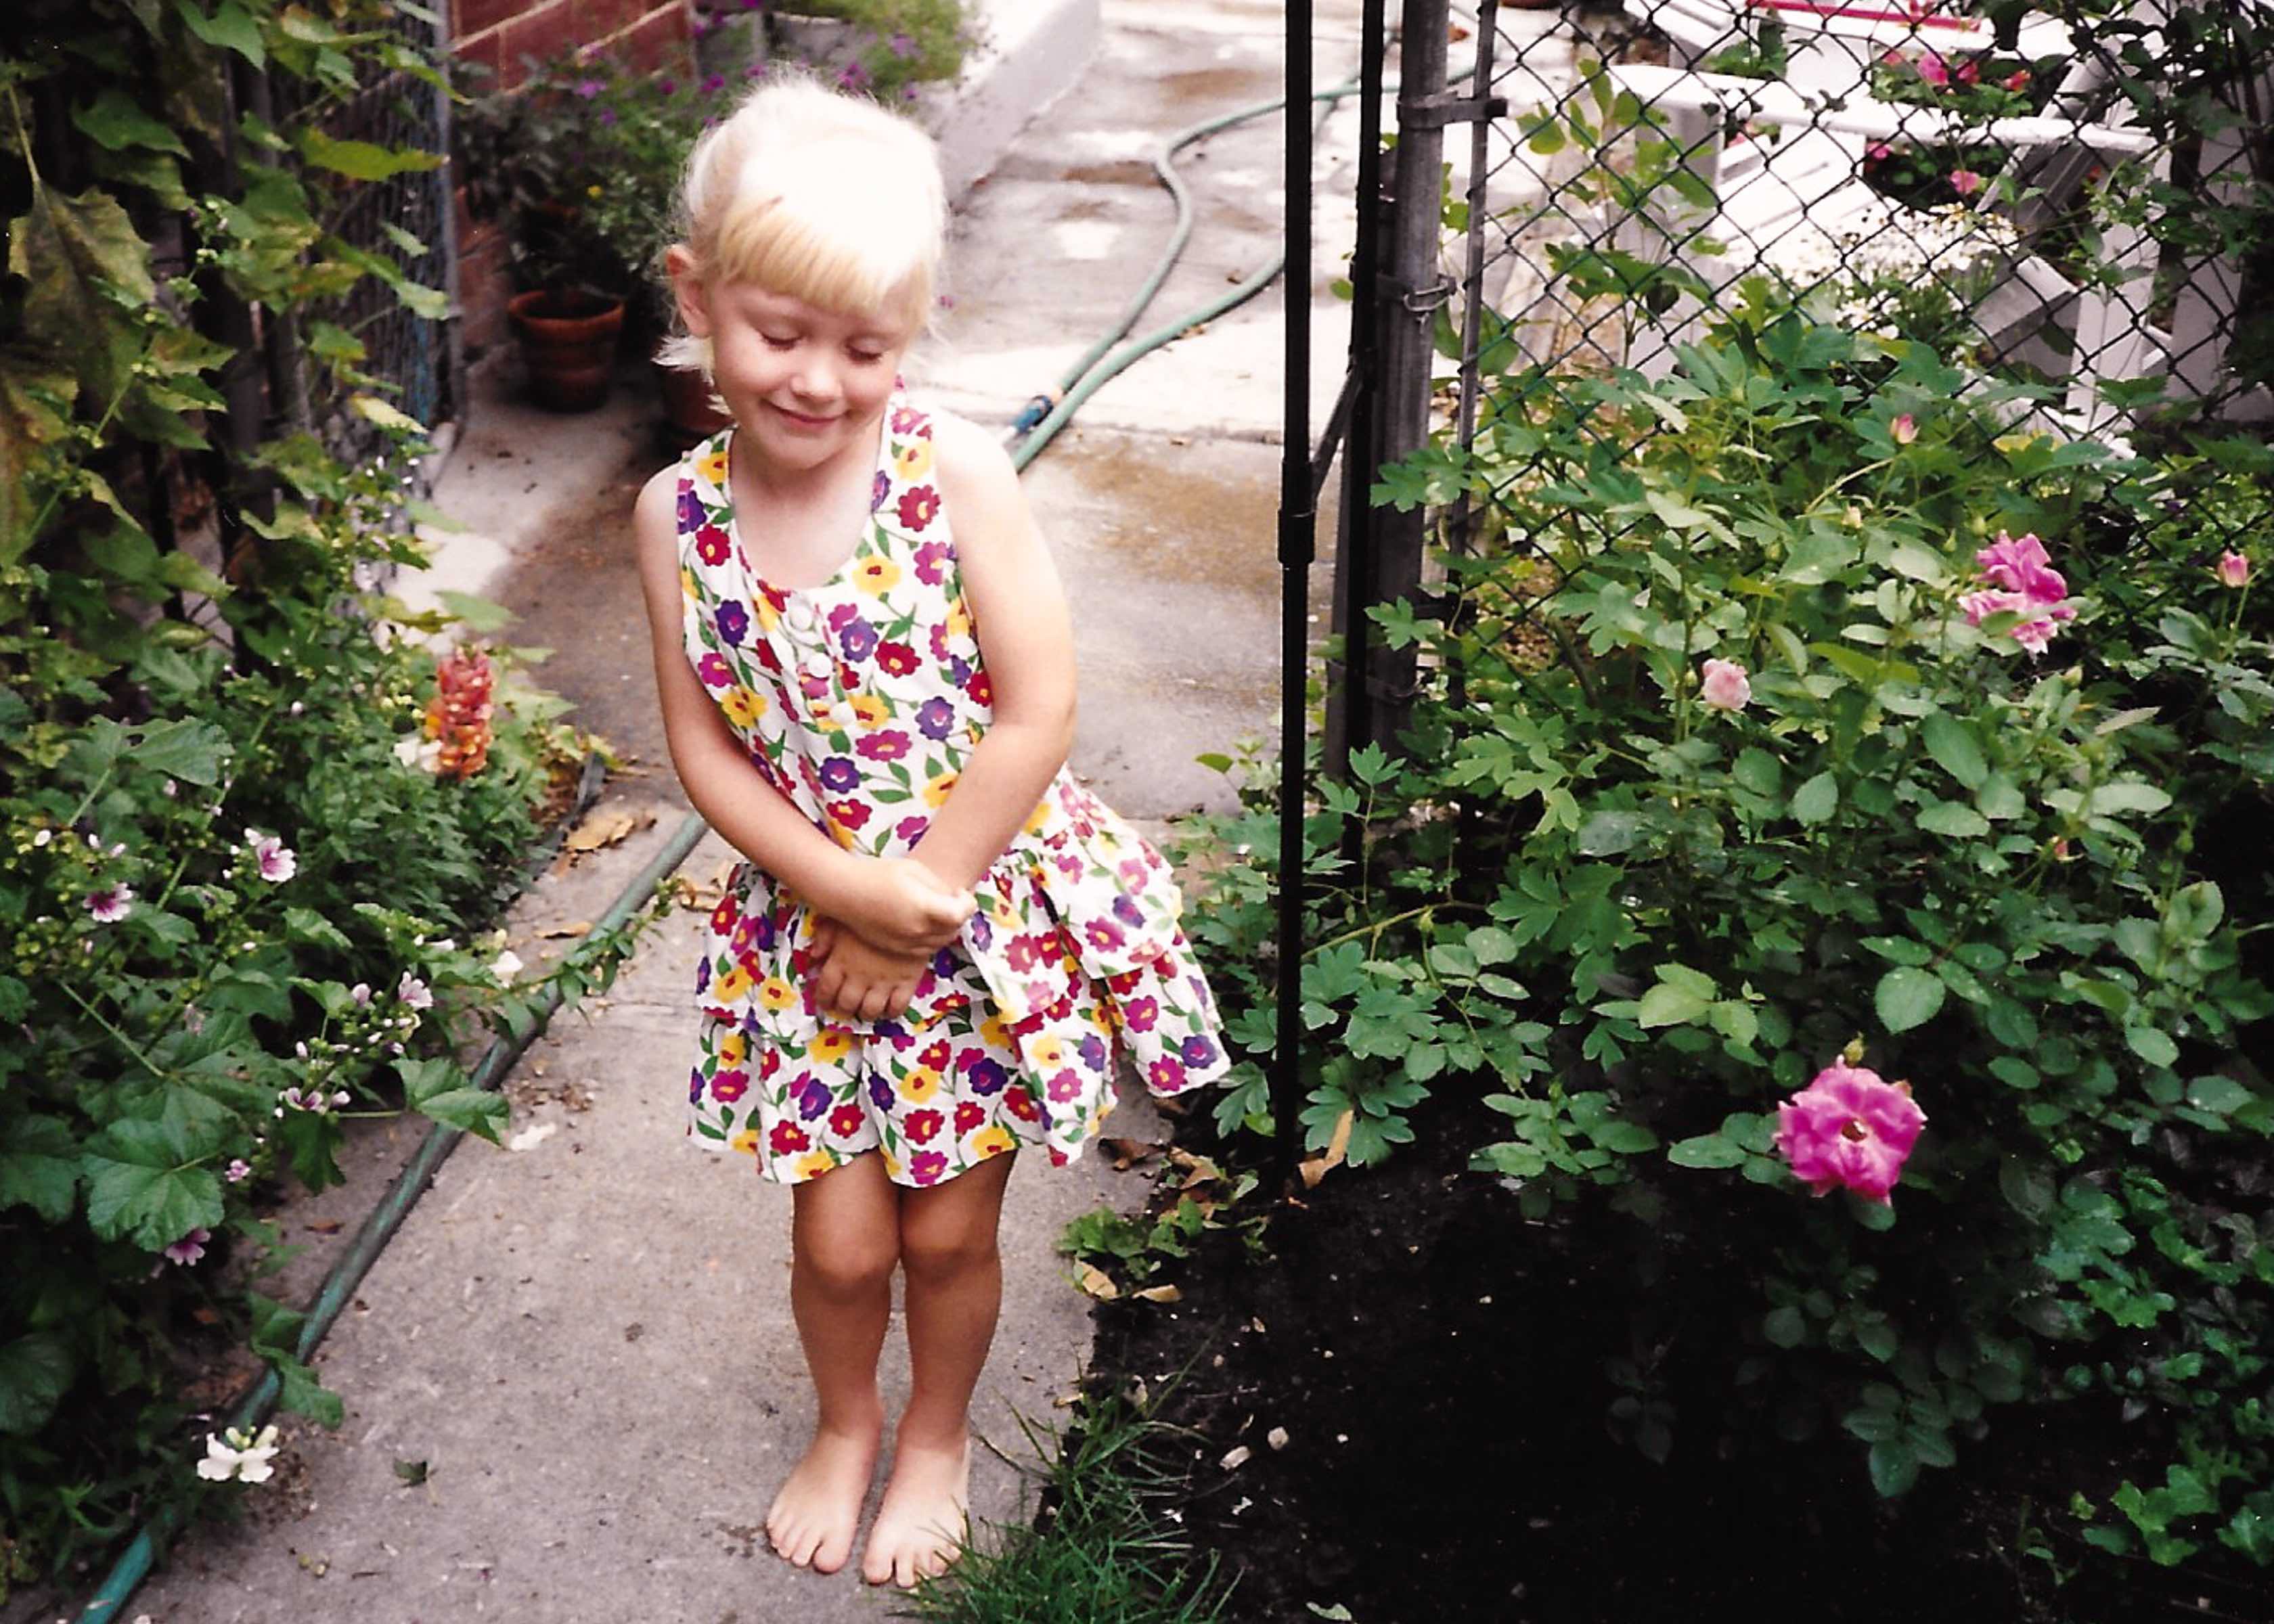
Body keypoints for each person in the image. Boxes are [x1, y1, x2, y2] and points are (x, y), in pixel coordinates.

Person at [630, 72, 1232, 1589]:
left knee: (948, 1238)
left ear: (919, 323)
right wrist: (845, 895)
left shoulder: (948, 470)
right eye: (779, 333)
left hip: (973, 920)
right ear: (697, 295)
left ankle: (942, 1438)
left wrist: (923, 897)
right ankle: (846, 1425)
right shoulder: (675, 516)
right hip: (812, 929)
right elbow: (703, 743)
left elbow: (1039, 707)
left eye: (870, 345)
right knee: (840, 1244)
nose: (821, 381)